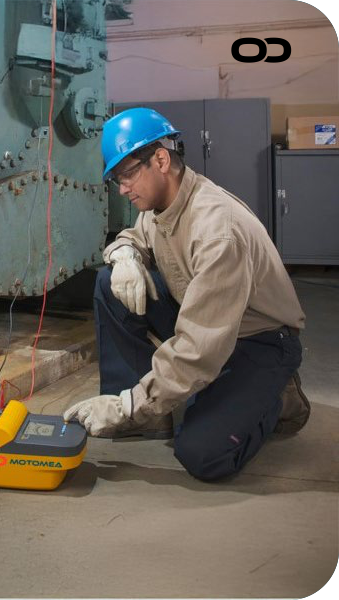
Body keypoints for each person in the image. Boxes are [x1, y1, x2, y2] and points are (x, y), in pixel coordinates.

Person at [64, 108, 310, 481]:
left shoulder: (217, 230)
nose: (122, 189)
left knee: (202, 453)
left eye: (126, 175)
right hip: (208, 321)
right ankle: (142, 411)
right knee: (108, 282)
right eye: (116, 179)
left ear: (161, 160)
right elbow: (136, 236)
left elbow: (199, 346)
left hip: (259, 340)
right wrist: (124, 254)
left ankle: (277, 398)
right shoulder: (159, 206)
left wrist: (129, 405)